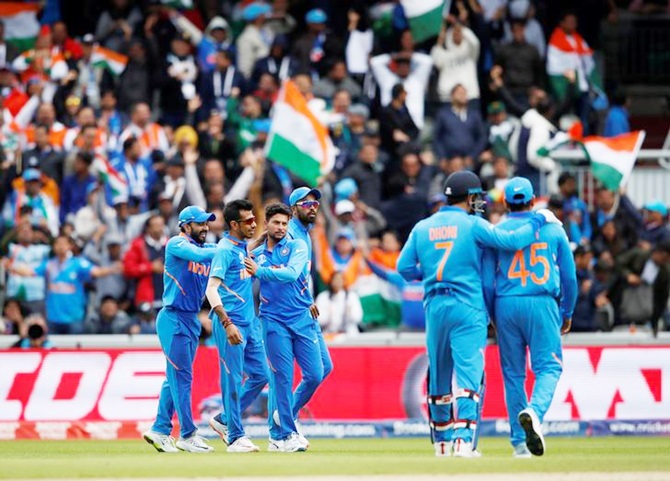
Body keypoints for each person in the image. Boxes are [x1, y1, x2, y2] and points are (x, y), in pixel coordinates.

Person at [396, 171, 559, 458]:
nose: (479, 202)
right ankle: (463, 442)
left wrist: (432, 273)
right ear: (469, 197)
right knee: (470, 376)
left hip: (434, 305)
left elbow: (404, 267)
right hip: (467, 305)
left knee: (439, 375)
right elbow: (512, 242)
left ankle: (443, 443)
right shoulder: (473, 225)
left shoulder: (423, 227)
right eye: (477, 197)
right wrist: (539, 218)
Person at [482, 177, 577, 458]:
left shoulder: (496, 232)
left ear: (506, 202)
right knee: (549, 368)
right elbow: (570, 278)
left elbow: (487, 282)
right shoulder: (553, 230)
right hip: (541, 302)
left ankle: (519, 445)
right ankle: (534, 412)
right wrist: (567, 312)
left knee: (513, 375)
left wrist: (492, 313)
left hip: (506, 304)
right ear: (534, 201)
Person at [245, 203, 322, 453]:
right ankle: (284, 435)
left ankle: (284, 417)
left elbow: (290, 274)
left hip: (301, 317)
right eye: (276, 223)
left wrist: (260, 270)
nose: (280, 228)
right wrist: (251, 249)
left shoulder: (297, 245)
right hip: (273, 320)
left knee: (315, 373)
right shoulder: (256, 255)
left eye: (284, 223)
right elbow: (237, 269)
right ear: (266, 223)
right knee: (282, 377)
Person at [142, 205, 218, 454]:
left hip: (191, 319)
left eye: (207, 223)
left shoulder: (207, 248)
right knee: (182, 377)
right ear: (186, 225)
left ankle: (160, 429)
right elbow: (201, 256)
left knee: (174, 378)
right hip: (173, 318)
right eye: (200, 223)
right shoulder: (176, 243)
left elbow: (213, 256)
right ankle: (187, 434)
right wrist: (228, 250)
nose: (205, 227)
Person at [205, 199, 269, 453]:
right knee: (232, 379)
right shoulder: (224, 250)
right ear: (234, 224)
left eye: (255, 219)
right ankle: (235, 436)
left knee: (261, 375)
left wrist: (261, 238)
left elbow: (240, 257)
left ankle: (223, 420)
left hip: (249, 322)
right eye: (249, 221)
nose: (254, 224)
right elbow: (211, 289)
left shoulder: (240, 246)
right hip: (230, 323)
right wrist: (227, 322)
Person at [283, 187, 333, 434]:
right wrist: (305, 299)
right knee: (313, 373)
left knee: (325, 367)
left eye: (315, 204)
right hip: (294, 311)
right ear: (293, 209)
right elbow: (290, 274)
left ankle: (285, 416)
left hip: (306, 309)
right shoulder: (290, 235)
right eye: (306, 204)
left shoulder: (305, 234)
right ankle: (285, 417)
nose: (312, 207)